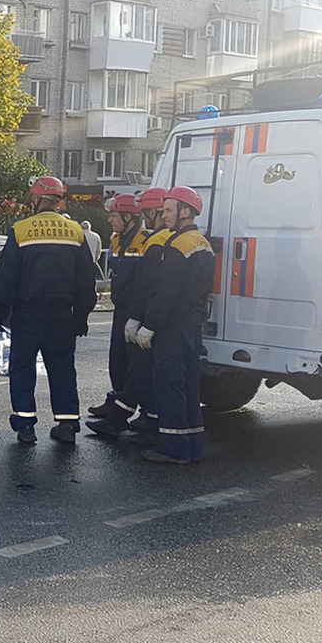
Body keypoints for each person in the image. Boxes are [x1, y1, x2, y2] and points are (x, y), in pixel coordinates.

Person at [0, 176, 98, 444]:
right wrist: (82, 316)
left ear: (36, 199)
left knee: (23, 369)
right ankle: (68, 424)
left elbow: (5, 277)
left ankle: (26, 426)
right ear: (59, 200)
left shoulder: (21, 229)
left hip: (28, 314)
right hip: (63, 315)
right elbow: (87, 280)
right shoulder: (75, 232)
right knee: (62, 369)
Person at [132, 187, 215, 465]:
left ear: (185, 212)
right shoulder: (202, 243)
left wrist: (150, 325)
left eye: (168, 210)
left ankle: (173, 448)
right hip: (192, 325)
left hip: (173, 327)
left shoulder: (177, 245)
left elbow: (166, 291)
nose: (163, 215)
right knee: (189, 385)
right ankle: (191, 444)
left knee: (168, 384)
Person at [116, 187, 175, 446]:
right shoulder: (168, 238)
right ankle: (145, 415)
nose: (143, 218)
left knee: (146, 369)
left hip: (152, 317)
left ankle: (151, 421)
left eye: (145, 213)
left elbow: (147, 285)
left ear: (154, 212)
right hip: (160, 317)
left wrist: (140, 318)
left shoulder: (157, 241)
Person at [86, 194, 147, 435]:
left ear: (129, 217)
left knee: (134, 364)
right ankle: (116, 401)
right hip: (121, 309)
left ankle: (127, 413)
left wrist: (138, 315)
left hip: (135, 311)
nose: (110, 220)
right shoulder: (117, 239)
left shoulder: (144, 241)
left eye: (114, 216)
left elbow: (144, 282)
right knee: (117, 361)